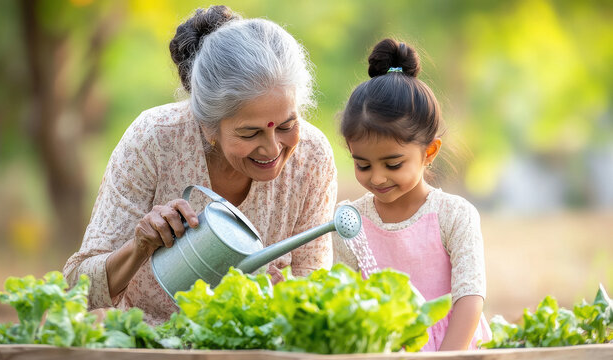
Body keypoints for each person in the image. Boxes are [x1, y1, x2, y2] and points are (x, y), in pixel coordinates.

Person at [63, 5, 337, 325]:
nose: (273, 147)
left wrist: (286, 300)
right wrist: (139, 247)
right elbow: (77, 289)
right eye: (250, 133)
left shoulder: (312, 157)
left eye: (287, 125)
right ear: (208, 127)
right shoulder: (155, 139)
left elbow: (315, 288)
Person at [332, 38, 491, 351]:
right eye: (362, 165)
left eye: (393, 164)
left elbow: (470, 298)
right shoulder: (352, 221)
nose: (377, 177)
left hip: (453, 348)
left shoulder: (453, 215)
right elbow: (345, 300)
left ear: (429, 152)